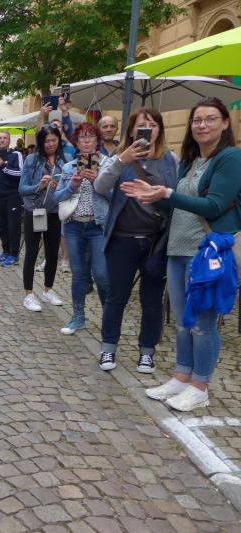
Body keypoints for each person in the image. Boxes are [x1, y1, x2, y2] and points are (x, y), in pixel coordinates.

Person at [122, 97, 241, 411]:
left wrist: (168, 193)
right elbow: (178, 205)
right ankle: (181, 377)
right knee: (183, 322)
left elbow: (214, 206)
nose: (202, 125)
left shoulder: (230, 158)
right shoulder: (189, 161)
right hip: (177, 248)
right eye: (197, 120)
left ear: (225, 123)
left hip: (206, 252)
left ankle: (200, 386)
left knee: (203, 323)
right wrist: (153, 197)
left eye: (210, 119)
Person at [94, 107, 179, 374]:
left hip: (156, 241)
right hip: (123, 239)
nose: (147, 130)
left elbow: (178, 196)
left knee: (151, 300)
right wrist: (121, 160)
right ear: (131, 130)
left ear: (160, 130)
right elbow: (100, 186)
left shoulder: (170, 159)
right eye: (142, 125)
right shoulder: (120, 157)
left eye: (153, 125)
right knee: (116, 297)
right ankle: (108, 348)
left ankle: (147, 352)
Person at [53, 122, 110, 335]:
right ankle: (78, 316)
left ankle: (109, 316)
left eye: (90, 136)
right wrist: (72, 186)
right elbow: (57, 197)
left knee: (101, 274)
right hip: (74, 225)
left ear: (97, 140)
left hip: (98, 225)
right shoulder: (69, 167)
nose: (86, 141)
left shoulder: (107, 165)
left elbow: (117, 197)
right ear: (76, 142)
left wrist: (98, 182)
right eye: (81, 137)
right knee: (78, 274)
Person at [18, 127, 68, 311]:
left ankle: (48, 290)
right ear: (41, 142)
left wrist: (61, 187)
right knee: (31, 253)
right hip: (36, 211)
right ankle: (29, 295)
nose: (51, 144)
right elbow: (22, 188)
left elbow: (70, 188)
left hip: (54, 212)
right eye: (47, 141)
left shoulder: (64, 160)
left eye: (54, 140)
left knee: (52, 254)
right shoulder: (32, 160)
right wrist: (38, 186)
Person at [0, 131, 24, 267]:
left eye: (5, 138)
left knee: (13, 227)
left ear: (9, 141)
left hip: (12, 196)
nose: (2, 140)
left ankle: (14, 255)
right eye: (0, 138)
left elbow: (20, 173)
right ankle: (5, 252)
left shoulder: (16, 155)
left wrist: (4, 166)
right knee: (0, 226)